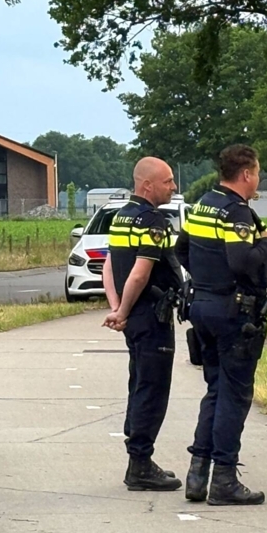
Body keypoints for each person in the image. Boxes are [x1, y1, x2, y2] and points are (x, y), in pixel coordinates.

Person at [174, 144, 267, 506]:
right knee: (235, 395)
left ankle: (197, 473)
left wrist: (204, 282)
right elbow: (241, 261)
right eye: (258, 172)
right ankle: (224, 479)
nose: (259, 178)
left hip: (202, 308)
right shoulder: (236, 212)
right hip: (232, 314)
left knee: (216, 391)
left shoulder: (204, 203)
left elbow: (181, 250)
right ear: (246, 174)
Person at [102, 156, 183, 491]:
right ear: (147, 184)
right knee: (152, 388)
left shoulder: (121, 217)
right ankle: (140, 463)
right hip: (151, 315)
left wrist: (118, 307)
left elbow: (109, 266)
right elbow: (140, 272)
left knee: (137, 383)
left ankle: (139, 459)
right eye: (167, 181)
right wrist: (124, 310)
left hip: (134, 317)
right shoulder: (154, 221)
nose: (173, 187)